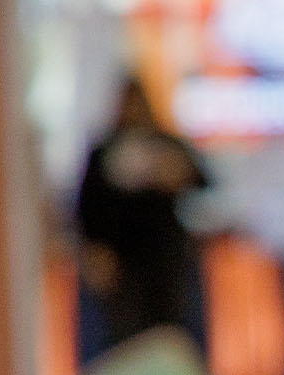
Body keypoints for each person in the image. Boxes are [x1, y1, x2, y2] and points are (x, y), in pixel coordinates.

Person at [75, 78, 209, 357]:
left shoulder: (166, 145)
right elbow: (87, 208)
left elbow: (204, 181)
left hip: (166, 262)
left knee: (172, 337)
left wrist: (176, 172)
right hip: (123, 264)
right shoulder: (104, 152)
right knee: (126, 342)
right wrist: (94, 251)